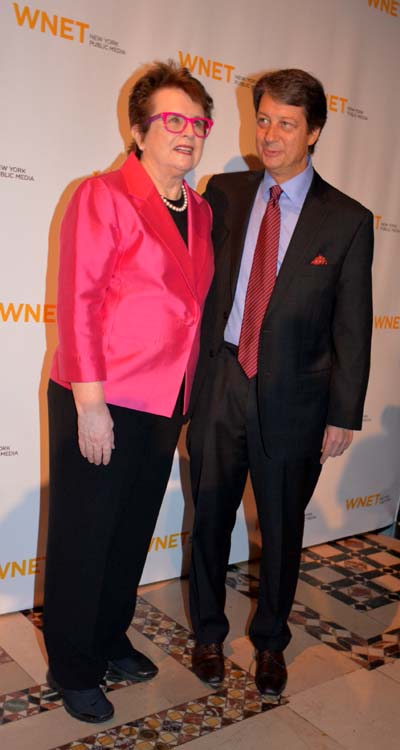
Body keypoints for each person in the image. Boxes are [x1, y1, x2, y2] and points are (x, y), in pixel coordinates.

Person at [188, 68, 373, 700]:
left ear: (314, 131)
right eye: (263, 118)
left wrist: (344, 412)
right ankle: (207, 633)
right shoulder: (227, 191)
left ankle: (271, 643)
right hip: (223, 383)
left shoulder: (346, 220)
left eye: (285, 124)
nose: (268, 134)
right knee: (209, 516)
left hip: (296, 399)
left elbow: (352, 324)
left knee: (283, 529)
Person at [43, 60, 214, 723]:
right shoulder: (104, 195)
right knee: (86, 535)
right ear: (139, 129)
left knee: (131, 530)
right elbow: (79, 303)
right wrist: (89, 405)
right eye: (172, 119)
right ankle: (72, 662)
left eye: (197, 122)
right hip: (103, 394)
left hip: (165, 400)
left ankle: (110, 637)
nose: (188, 132)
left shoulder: (197, 211)